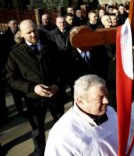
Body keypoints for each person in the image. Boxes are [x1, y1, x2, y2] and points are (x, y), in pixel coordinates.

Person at [5, 19, 64, 156]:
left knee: (61, 125)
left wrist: (57, 84)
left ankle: (62, 150)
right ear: (21, 34)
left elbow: (62, 68)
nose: (33, 34)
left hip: (54, 94)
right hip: (34, 99)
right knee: (37, 129)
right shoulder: (15, 53)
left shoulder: (50, 46)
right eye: (29, 32)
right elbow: (11, 78)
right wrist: (32, 88)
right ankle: (40, 152)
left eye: (35, 30)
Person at [45, 74, 118, 155]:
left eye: (106, 95)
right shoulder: (63, 133)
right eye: (99, 98)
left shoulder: (110, 112)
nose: (106, 101)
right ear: (80, 101)